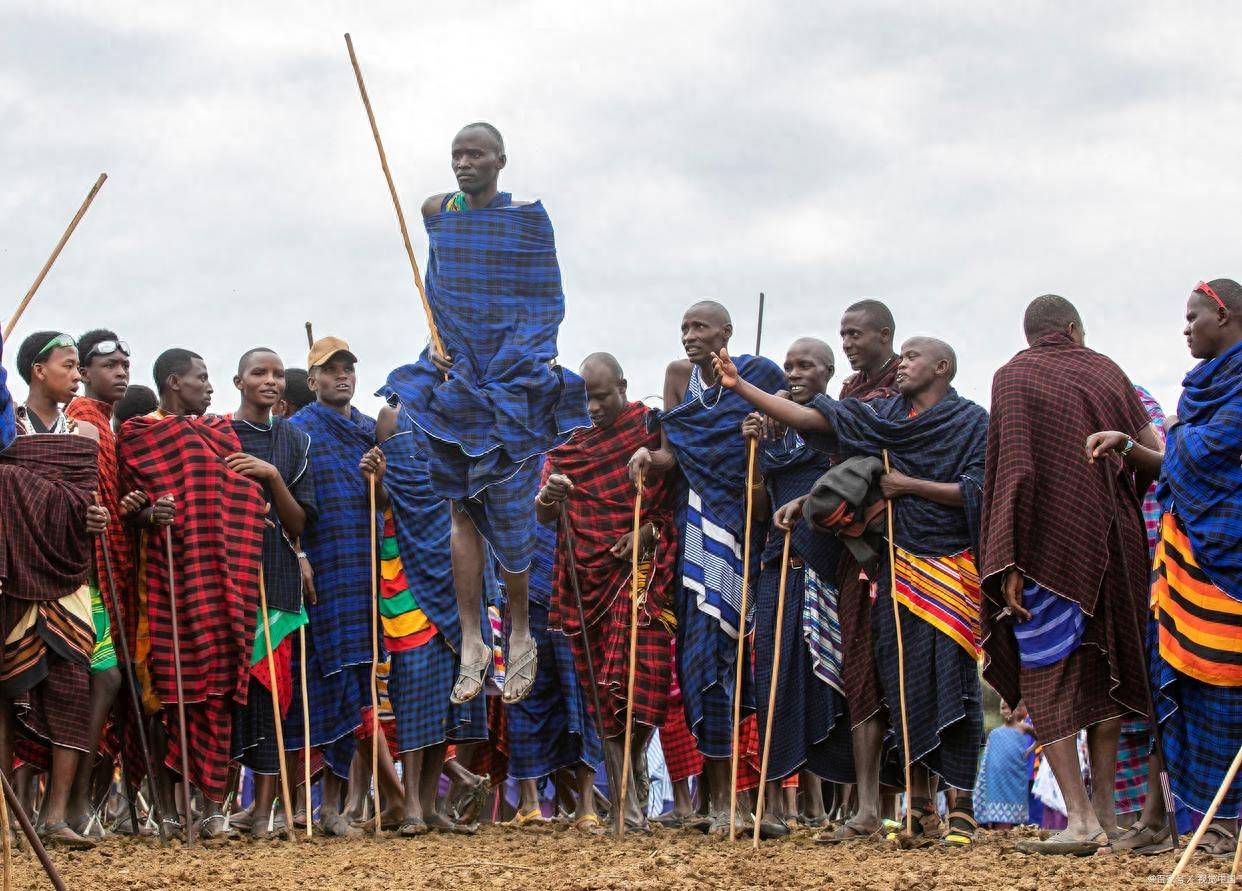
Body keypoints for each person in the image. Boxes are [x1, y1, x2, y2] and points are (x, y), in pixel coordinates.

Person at [714, 335, 988, 847]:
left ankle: (965, 807)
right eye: (900, 356)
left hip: (950, 566)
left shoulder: (972, 421)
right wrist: (741, 386)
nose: (902, 364)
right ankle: (920, 809)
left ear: (942, 367)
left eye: (912, 356)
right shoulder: (882, 415)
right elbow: (815, 422)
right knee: (900, 684)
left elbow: (976, 490)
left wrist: (910, 487)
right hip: (891, 566)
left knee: (952, 682)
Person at [381, 122, 589, 707]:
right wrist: (439, 342)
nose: (463, 163)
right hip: (453, 376)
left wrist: (523, 359)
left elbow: (547, 298)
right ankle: (473, 639)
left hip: (513, 376)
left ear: (502, 159)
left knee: (513, 513)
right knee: (462, 513)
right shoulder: (440, 211)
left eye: (476, 154)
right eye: (456, 155)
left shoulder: (525, 219)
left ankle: (519, 630)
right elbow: (432, 220)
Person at [978, 295, 1161, 856]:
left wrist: (1003, 559)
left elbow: (1013, 469)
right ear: (1075, 330)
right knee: (1106, 661)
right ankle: (1102, 815)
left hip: (1043, 548)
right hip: (1116, 541)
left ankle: (1081, 820)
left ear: (1030, 334)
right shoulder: (1107, 369)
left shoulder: (1010, 376)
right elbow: (1152, 451)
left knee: (1046, 673)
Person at [1087, 279, 1242, 858]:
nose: (1185, 329)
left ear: (1222, 316)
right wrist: (1128, 446)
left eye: (1192, 317)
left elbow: (1198, 456)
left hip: (1230, 564)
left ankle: (1224, 826)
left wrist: (1172, 440)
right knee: (1172, 685)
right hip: (1185, 565)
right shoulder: (1203, 391)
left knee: (1226, 691)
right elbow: (1177, 465)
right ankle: (1165, 821)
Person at [627, 301, 785, 833]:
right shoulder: (677, 378)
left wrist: (755, 428)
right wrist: (650, 457)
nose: (689, 336)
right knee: (698, 669)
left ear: (727, 332)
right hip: (692, 536)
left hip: (739, 533)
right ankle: (713, 803)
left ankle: (739, 804)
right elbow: (675, 452)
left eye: (700, 327)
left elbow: (778, 430)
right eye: (684, 328)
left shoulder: (758, 374)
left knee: (737, 664)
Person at [119, 347, 266, 841]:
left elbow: (241, 495)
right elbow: (129, 506)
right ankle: (166, 810)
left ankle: (212, 809)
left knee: (221, 692)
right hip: (166, 583)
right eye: (201, 378)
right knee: (168, 695)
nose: (209, 387)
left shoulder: (221, 434)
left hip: (224, 583)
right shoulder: (139, 435)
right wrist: (145, 512)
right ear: (173, 382)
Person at [535, 352, 679, 829]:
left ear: (623, 384)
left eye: (601, 396)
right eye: (586, 399)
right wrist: (549, 496)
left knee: (646, 685)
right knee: (604, 695)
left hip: (642, 577)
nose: (593, 407)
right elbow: (544, 514)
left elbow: (674, 499)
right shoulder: (568, 453)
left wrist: (648, 533)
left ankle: (633, 769)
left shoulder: (650, 429)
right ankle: (624, 803)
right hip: (587, 584)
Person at [739, 338, 850, 838]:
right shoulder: (774, 432)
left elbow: (844, 486)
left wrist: (808, 500)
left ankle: (824, 807)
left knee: (825, 677)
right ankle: (781, 804)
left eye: (806, 364)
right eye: (788, 366)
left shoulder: (838, 423)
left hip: (825, 561)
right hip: (776, 561)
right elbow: (760, 511)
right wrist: (755, 452)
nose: (795, 372)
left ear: (828, 371)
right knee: (778, 679)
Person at [1, 332, 106, 847]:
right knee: (9, 691)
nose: (77, 374)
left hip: (69, 575)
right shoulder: (7, 428)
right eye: (69, 365)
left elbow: (85, 496)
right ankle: (8, 815)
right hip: (16, 575)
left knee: (71, 689)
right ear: (38, 370)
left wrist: (95, 514)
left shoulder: (85, 432)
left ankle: (55, 816)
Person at [286, 336, 385, 837]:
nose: (341, 376)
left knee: (361, 685)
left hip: (365, 573)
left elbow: (392, 502)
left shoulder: (371, 432)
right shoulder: (296, 431)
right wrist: (299, 555)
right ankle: (310, 807)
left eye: (348, 368)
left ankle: (341, 808)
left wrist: (379, 477)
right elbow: (286, 510)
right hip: (319, 573)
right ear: (313, 382)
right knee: (323, 685)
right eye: (330, 371)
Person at [374, 404, 488, 836]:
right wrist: (378, 477)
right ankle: (410, 809)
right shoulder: (393, 417)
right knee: (415, 689)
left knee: (448, 698)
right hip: (408, 573)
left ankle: (431, 806)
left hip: (460, 571)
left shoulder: (472, 413)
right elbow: (388, 496)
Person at [226, 348, 317, 839]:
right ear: (237, 380)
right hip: (228, 579)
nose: (271, 381)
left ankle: (264, 812)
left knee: (272, 693)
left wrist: (272, 476)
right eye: (260, 373)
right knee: (227, 695)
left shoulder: (295, 442)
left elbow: (301, 521)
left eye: (279, 374)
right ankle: (226, 806)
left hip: (278, 580)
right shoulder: (218, 435)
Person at [63, 329, 132, 836]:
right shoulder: (85, 420)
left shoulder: (108, 425)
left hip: (106, 571)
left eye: (125, 364)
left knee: (102, 684)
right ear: (84, 374)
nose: (121, 371)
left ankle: (76, 805)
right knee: (100, 682)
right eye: (109, 364)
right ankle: (69, 805)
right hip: (85, 577)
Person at [503, 519, 602, 831]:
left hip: (576, 590)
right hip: (527, 595)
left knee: (581, 696)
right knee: (524, 694)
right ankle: (531, 803)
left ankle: (583, 807)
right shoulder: (517, 473)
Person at [974, 702, 1035, 829]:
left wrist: (1029, 750)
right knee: (996, 803)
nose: (1007, 711)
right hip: (997, 778)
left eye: (1010, 707)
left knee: (1013, 801)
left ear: (1017, 710)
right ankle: (994, 828)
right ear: (1000, 711)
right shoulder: (995, 733)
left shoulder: (1024, 728)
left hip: (1015, 775)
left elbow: (1041, 737)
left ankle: (1008, 829)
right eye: (1003, 708)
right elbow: (987, 761)